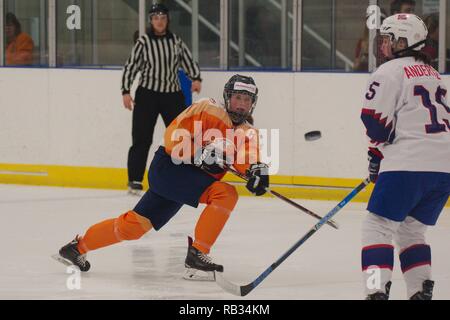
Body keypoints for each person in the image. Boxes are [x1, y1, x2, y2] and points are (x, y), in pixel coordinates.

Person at [54, 74, 270, 281]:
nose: (242, 104)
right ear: (227, 96)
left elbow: (249, 158)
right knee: (225, 194)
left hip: (186, 180)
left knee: (133, 227)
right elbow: (174, 135)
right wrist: (199, 153)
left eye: (247, 99)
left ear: (253, 103)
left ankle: (76, 248)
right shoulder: (208, 108)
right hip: (170, 168)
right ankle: (197, 254)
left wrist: (256, 172)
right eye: (238, 97)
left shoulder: (248, 132)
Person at [360, 13, 450, 300]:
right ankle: (419, 292)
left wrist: (376, 154)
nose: (383, 46)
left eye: (388, 40)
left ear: (404, 41)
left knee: (377, 227)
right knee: (412, 232)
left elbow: (376, 123)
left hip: (407, 164)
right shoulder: (435, 75)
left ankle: (376, 290)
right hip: (443, 168)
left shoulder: (389, 72)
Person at [122, 3, 202, 195]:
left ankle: (184, 176)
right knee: (141, 138)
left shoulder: (175, 41)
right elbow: (131, 66)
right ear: (151, 20)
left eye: (163, 18)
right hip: (147, 94)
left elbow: (188, 60)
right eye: (156, 18)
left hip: (171, 95)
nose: (159, 21)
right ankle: (135, 180)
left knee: (181, 136)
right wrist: (126, 91)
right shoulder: (143, 42)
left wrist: (196, 77)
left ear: (167, 20)